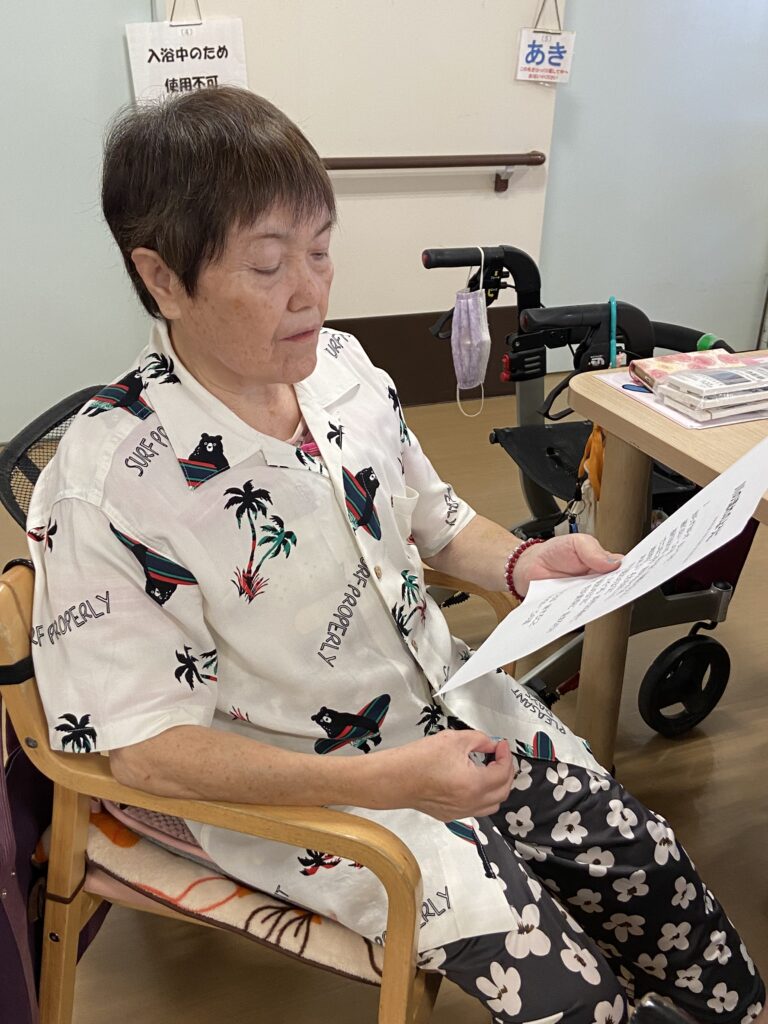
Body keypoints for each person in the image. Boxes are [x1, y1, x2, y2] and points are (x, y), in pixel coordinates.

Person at [27, 87, 763, 1024]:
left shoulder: (342, 370)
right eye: (269, 264)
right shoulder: (107, 484)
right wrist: (382, 781)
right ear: (163, 278)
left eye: (321, 250)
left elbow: (437, 520)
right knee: (573, 996)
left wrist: (520, 566)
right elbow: (143, 750)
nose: (311, 291)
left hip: (452, 704)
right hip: (314, 790)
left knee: (654, 874)